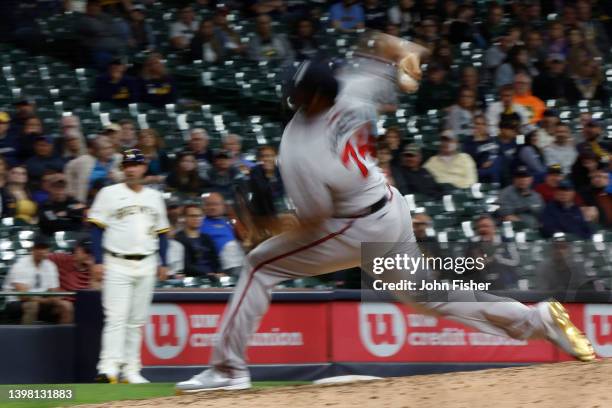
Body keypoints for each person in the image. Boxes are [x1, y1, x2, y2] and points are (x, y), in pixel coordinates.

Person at [175, 57, 594, 394]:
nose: (290, 92)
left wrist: (262, 226)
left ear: (314, 95)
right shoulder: (351, 90)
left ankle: (228, 370)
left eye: (297, 88)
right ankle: (536, 320)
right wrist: (403, 61)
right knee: (427, 296)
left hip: (354, 225)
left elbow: (316, 221)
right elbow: (404, 59)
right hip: (388, 206)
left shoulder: (300, 148)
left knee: (259, 266)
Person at [88, 148, 170, 384]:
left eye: (135, 164)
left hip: (147, 262)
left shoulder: (154, 197)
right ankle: (108, 369)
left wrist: (163, 262)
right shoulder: (108, 193)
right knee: (116, 317)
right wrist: (98, 260)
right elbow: (96, 228)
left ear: (144, 168)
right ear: (123, 168)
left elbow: (162, 232)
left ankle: (131, 370)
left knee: (136, 320)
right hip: (116, 261)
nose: (131, 168)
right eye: (127, 165)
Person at [2, 235, 73, 324]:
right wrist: (46, 300)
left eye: (45, 248)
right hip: (15, 302)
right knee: (32, 305)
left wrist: (53, 299)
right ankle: (26, 337)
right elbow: (23, 296)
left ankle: (63, 337)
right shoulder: (20, 265)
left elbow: (54, 291)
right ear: (33, 249)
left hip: (41, 302)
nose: (42, 251)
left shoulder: (50, 266)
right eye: (39, 248)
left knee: (66, 306)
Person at [64, 135, 123, 203]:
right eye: (104, 149)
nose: (108, 151)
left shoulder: (118, 158)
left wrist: (117, 175)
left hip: (114, 197)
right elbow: (69, 167)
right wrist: (71, 189)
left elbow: (129, 174)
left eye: (110, 147)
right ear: (97, 151)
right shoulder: (84, 161)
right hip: (89, 199)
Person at [200, 192, 245, 276]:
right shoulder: (199, 223)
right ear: (204, 207)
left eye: (216, 204)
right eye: (209, 204)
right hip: (219, 264)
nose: (212, 207)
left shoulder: (230, 223)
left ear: (223, 206)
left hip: (238, 260)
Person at [175, 204, 221, 279]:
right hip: (192, 280)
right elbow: (186, 265)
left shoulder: (207, 238)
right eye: (193, 216)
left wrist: (219, 272)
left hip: (213, 279)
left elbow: (216, 260)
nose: (197, 218)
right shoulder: (178, 239)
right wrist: (208, 274)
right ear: (184, 218)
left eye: (200, 216)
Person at [463, 114, 502, 184]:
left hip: (496, 166)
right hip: (480, 170)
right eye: (477, 124)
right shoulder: (469, 142)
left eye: (483, 124)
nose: (480, 126)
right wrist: (476, 140)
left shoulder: (494, 139)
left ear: (486, 126)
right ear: (473, 126)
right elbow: (468, 161)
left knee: (498, 163)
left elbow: (502, 155)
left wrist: (492, 161)